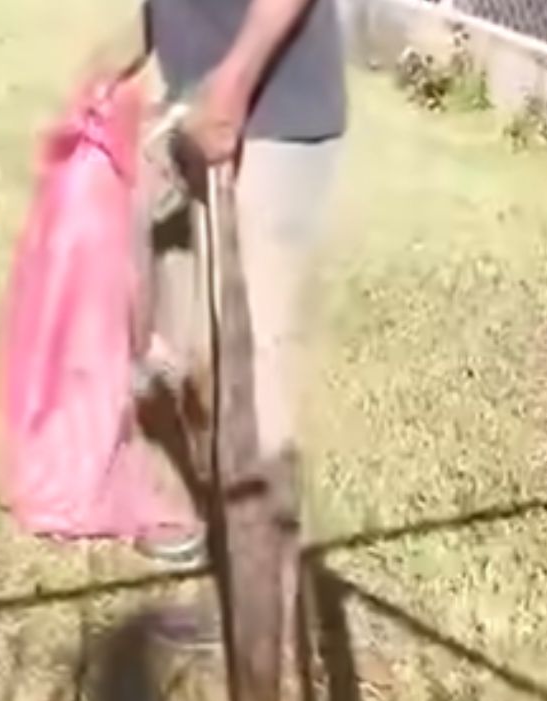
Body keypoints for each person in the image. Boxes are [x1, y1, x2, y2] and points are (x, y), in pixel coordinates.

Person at [78, 0, 346, 572]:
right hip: (190, 113)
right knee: (178, 349)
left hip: (272, 117)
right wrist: (127, 52)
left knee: (246, 367)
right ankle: (202, 511)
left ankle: (263, 594)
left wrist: (232, 86)